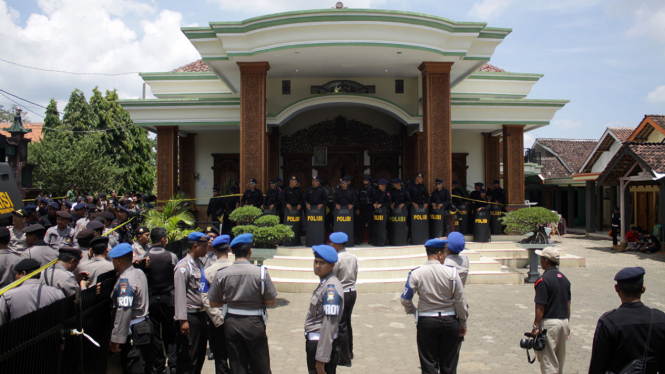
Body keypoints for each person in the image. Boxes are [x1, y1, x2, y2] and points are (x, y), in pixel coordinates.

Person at [208, 233, 278, 374]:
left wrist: (227, 300)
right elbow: (271, 301)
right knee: (260, 365)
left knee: (237, 365)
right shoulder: (261, 273)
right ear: (250, 251)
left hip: (231, 322)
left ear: (232, 251)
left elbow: (213, 302)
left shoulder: (222, 273)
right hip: (254, 322)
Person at [400, 238, 468, 374]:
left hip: (426, 322)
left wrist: (414, 312)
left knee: (428, 363)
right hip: (449, 321)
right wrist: (462, 322)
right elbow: (460, 301)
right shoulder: (452, 273)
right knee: (449, 364)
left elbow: (405, 299)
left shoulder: (416, 273)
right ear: (439, 254)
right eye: (444, 254)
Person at [588, 267, 665, 373]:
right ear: (643, 289)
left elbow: (597, 366)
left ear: (617, 288)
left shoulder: (609, 322)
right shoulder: (660, 318)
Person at [109, 243, 153, 374]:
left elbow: (124, 310)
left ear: (119, 260)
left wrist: (117, 338)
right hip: (144, 325)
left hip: (133, 330)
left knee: (134, 367)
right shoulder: (138, 272)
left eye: (113, 260)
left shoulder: (125, 281)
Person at [143, 227, 179, 374]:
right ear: (163, 239)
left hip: (151, 299)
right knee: (170, 332)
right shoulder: (171, 256)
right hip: (168, 299)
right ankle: (173, 364)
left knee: (155, 334)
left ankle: (158, 364)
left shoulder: (144, 256)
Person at [305, 244, 344, 374]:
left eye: (322, 263)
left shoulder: (330, 289)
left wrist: (321, 359)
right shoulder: (325, 283)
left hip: (320, 344)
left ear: (332, 266)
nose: (317, 266)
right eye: (316, 262)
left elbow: (329, 325)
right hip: (317, 343)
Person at [531, 247, 571, 374]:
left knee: (549, 362)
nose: (540, 261)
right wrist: (568, 323)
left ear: (546, 261)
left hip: (550, 324)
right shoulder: (565, 279)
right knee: (560, 361)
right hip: (563, 322)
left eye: (541, 258)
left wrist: (536, 326)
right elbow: (568, 304)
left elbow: (540, 306)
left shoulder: (543, 280)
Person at [174, 232, 209, 374]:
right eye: (204, 247)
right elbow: (180, 294)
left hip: (201, 315)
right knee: (188, 357)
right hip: (190, 317)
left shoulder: (200, 264)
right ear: (195, 246)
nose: (207, 249)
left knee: (200, 355)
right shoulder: (183, 267)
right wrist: (182, 320)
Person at [0, 259, 65, 325]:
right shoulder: (57, 293)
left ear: (23, 273)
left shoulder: (8, 296)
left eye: (16, 274)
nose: (15, 278)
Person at [203, 235, 233, 374]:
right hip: (234, 318)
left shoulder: (207, 271)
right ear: (229, 249)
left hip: (215, 321)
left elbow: (205, 298)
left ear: (214, 250)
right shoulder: (236, 269)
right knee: (236, 356)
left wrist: (217, 318)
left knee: (220, 357)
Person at [330, 232, 358, 367]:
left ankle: (345, 358)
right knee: (347, 322)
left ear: (338, 245)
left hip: (341, 293)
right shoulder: (353, 257)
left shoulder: (336, 259)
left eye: (332, 243)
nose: (330, 245)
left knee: (341, 326)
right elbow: (356, 273)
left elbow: (333, 277)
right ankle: (350, 351)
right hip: (352, 292)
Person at [355, 174, 375, 245]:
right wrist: (358, 209)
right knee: (360, 225)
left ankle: (371, 240)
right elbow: (358, 199)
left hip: (369, 208)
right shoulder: (361, 189)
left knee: (371, 225)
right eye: (364, 180)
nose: (365, 181)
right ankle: (359, 239)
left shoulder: (372, 189)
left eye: (366, 180)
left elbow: (374, 199)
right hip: (362, 208)